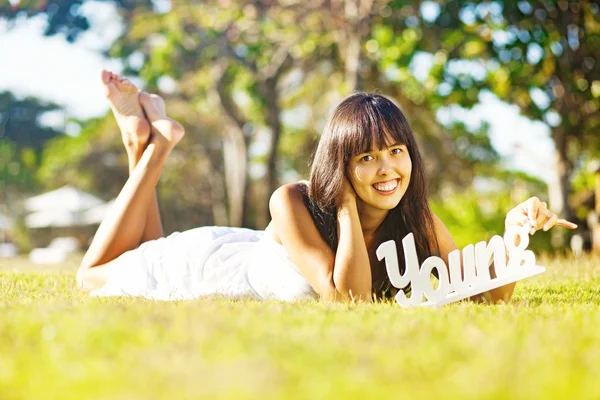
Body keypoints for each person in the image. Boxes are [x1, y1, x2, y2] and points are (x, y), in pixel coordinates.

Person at [77, 70, 577, 303]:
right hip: (205, 266)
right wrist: (343, 210)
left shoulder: (415, 218)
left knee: (140, 245)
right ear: (340, 164)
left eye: (396, 152)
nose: (388, 170)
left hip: (235, 251)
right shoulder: (291, 200)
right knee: (94, 276)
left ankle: (137, 141)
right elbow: (346, 299)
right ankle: (159, 147)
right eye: (366, 157)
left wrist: (514, 238)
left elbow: (482, 297)